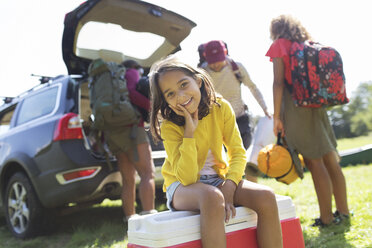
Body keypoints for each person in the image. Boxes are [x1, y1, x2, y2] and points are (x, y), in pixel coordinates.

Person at [148, 55, 283, 248]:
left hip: (218, 180)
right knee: (212, 197)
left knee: (266, 196)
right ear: (167, 102)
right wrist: (189, 133)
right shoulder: (170, 126)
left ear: (198, 81)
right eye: (170, 94)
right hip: (181, 186)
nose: (180, 96)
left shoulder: (221, 108)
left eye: (184, 85)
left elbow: (237, 152)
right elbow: (186, 177)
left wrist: (229, 185)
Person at [266, 14, 350, 227]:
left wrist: (277, 117)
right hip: (317, 105)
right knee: (330, 159)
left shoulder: (280, 45)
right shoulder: (306, 45)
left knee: (314, 161)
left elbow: (278, 83)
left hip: (296, 106)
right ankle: (343, 212)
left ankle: (327, 218)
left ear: (275, 29)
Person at [200, 40, 270, 182]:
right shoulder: (203, 72)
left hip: (239, 118)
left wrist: (265, 108)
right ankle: (229, 191)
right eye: (212, 61)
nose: (215, 64)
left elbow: (253, 87)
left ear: (225, 54)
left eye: (218, 60)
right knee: (221, 162)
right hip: (216, 123)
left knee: (244, 157)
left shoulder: (235, 68)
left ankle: (252, 191)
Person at [106, 60, 156, 222]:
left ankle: (130, 218)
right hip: (133, 129)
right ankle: (149, 216)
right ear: (136, 68)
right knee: (147, 173)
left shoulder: (111, 81)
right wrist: (152, 108)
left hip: (113, 132)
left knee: (128, 179)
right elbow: (132, 93)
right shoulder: (131, 73)